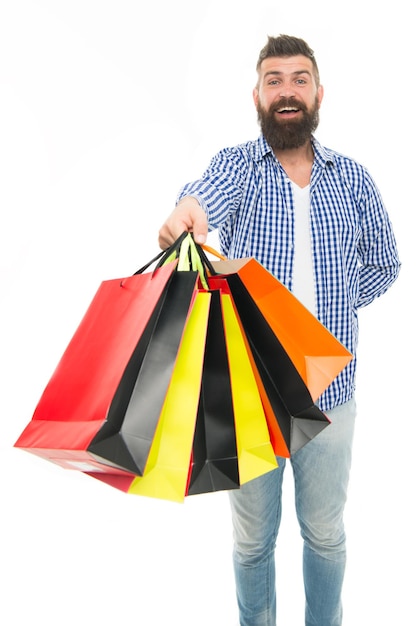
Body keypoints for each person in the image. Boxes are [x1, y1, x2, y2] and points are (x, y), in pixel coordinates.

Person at [158, 34, 401, 626]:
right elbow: (204, 195)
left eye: (298, 79)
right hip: (250, 396)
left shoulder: (354, 178)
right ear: (257, 95)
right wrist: (188, 210)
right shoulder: (239, 166)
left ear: (319, 93)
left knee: (325, 537)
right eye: (274, 80)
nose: (286, 90)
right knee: (251, 542)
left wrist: (331, 316)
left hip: (331, 396)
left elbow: (386, 262)